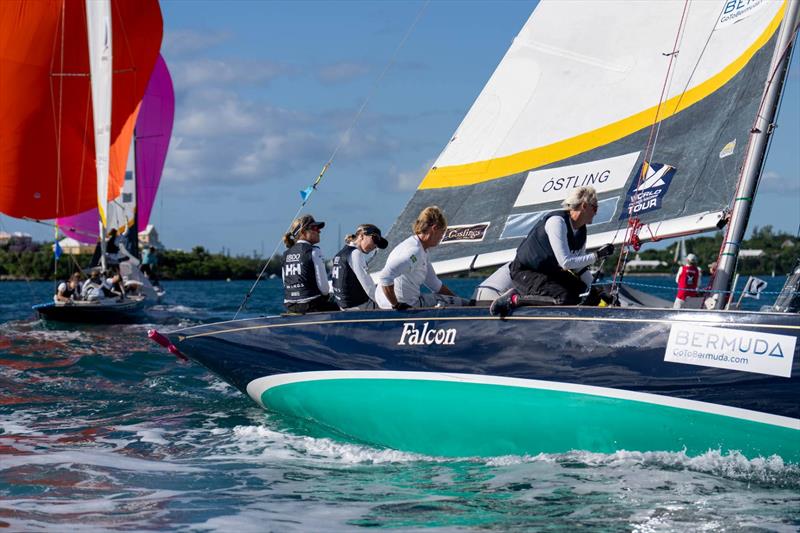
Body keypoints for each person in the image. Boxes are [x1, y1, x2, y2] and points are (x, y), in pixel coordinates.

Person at [490, 186, 614, 316]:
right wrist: (598, 255)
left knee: (591, 296)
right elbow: (565, 262)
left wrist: (597, 289)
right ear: (584, 206)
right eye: (595, 208)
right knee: (564, 298)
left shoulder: (581, 230)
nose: (596, 212)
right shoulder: (557, 222)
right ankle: (514, 299)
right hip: (525, 272)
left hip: (549, 273)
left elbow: (579, 268)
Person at [375, 206, 471, 309]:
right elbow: (385, 276)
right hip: (404, 305)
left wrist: (455, 299)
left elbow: (435, 284)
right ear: (434, 229)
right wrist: (396, 305)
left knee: (455, 301)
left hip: (383, 303)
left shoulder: (419, 249)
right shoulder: (415, 252)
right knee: (461, 303)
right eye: (442, 232)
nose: (442, 237)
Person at [282, 215, 339, 314]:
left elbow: (285, 283)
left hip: (290, 306)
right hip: (312, 306)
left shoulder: (285, 254)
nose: (319, 231)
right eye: (315, 228)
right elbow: (325, 289)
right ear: (303, 232)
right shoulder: (314, 251)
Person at [331, 224, 388, 310]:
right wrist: (387, 302)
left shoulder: (341, 253)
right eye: (375, 239)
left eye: (377, 244)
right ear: (362, 236)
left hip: (344, 307)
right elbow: (368, 287)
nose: (375, 245)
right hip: (358, 307)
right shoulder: (356, 254)